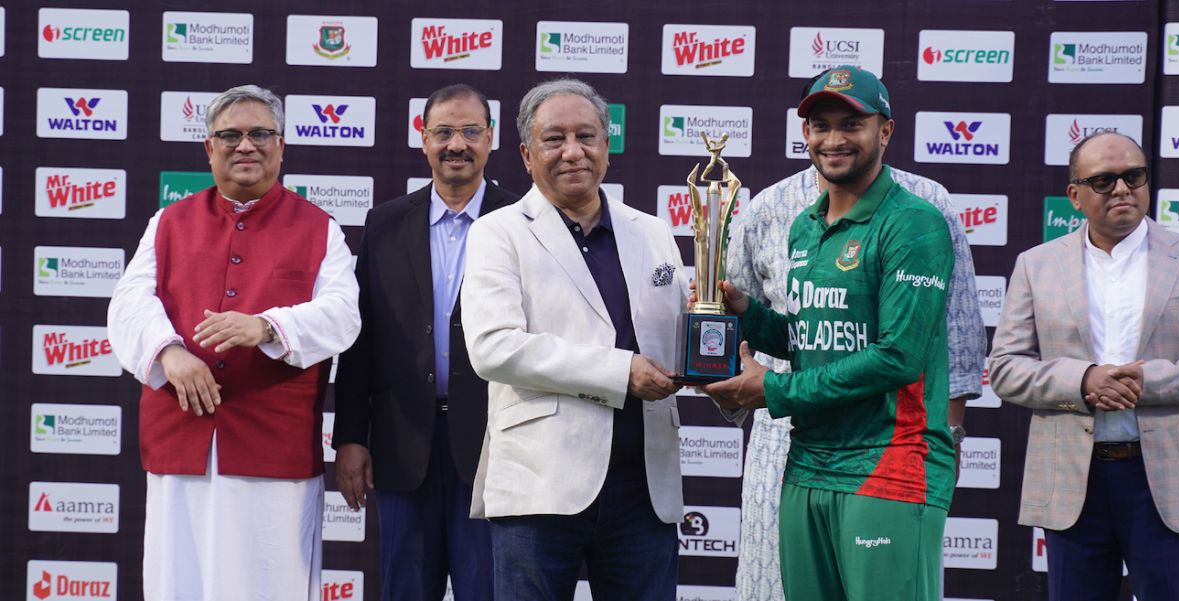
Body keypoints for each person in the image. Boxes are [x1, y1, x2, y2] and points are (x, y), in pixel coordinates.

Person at [727, 69, 985, 601]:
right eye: (820, 125)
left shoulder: (915, 221)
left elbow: (897, 357)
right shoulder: (802, 225)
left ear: (885, 131)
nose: (834, 139)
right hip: (809, 461)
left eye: (852, 124)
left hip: (888, 465)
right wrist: (746, 312)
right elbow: (809, 338)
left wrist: (772, 391)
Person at [107, 84, 361, 600]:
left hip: (273, 447)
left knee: (268, 584)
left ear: (282, 145)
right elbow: (128, 302)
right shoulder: (168, 222)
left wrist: (268, 326)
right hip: (183, 440)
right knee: (180, 580)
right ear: (209, 147)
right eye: (230, 135)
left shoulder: (319, 228)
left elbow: (342, 314)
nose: (246, 146)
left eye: (260, 134)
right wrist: (168, 352)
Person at [988, 132, 1179, 601]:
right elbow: (1007, 368)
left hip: (1171, 479)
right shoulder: (1036, 266)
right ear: (1074, 195)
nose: (1121, 189)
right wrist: (1083, 379)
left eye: (1134, 176)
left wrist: (1149, 381)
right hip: (1074, 481)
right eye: (1103, 180)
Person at [459, 78, 687, 601]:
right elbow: (494, 346)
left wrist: (720, 362)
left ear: (607, 145)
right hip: (540, 485)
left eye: (586, 136)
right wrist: (619, 371)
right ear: (525, 153)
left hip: (643, 488)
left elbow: (678, 340)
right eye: (553, 139)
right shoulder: (498, 232)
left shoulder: (651, 231)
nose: (572, 152)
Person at [332, 84, 519, 601]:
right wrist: (351, 437)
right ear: (423, 139)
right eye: (443, 132)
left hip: (496, 447)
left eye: (469, 131)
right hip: (401, 446)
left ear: (491, 139)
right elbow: (358, 340)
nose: (456, 144)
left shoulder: (524, 221)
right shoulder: (385, 223)